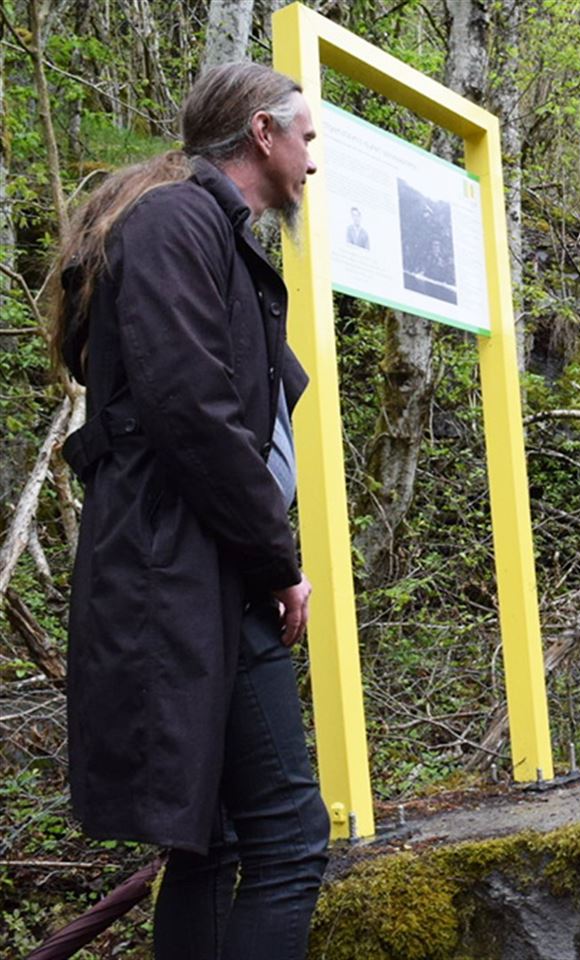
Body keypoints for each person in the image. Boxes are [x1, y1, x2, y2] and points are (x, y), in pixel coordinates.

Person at [46, 63, 329, 958]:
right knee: (289, 836)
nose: (312, 163)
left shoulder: (203, 228)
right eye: (307, 138)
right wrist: (278, 562)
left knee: (213, 846)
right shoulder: (177, 222)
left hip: (189, 569)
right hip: (186, 575)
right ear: (260, 132)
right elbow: (194, 415)